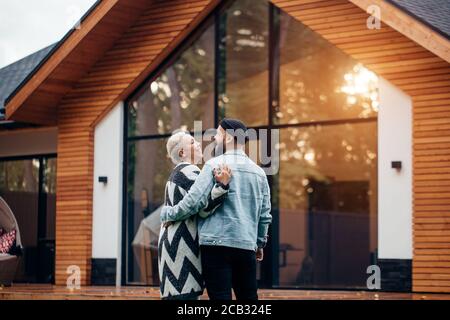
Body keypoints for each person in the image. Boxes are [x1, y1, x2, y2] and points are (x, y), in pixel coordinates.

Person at [160, 118, 272, 300]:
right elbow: (265, 215)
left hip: (215, 246)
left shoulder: (213, 165)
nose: (214, 137)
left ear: (228, 137)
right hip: (246, 244)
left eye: (218, 133)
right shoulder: (259, 173)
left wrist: (168, 213)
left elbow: (193, 203)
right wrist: (259, 243)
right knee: (249, 298)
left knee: (220, 298)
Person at [158, 131, 232, 300]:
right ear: (182, 153)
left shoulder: (176, 173)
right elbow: (203, 208)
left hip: (172, 248)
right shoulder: (189, 170)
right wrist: (222, 186)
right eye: (192, 142)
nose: (198, 144)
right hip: (182, 246)